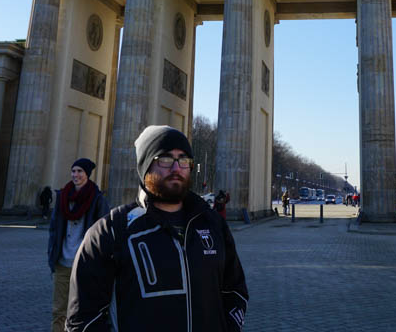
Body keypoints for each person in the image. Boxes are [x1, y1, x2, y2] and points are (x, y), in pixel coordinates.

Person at [67, 125, 248, 331]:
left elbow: (235, 291)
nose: (176, 168)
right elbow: (83, 319)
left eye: (183, 160)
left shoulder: (213, 224)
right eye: (165, 159)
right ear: (145, 166)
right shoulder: (111, 231)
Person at [48, 158, 109, 332]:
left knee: (82, 312)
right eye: (73, 171)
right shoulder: (63, 197)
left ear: (87, 175)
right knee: (58, 310)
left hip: (84, 265)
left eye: (80, 171)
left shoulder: (97, 200)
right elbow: (54, 230)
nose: (75, 175)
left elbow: (103, 234)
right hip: (63, 263)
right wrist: (52, 254)